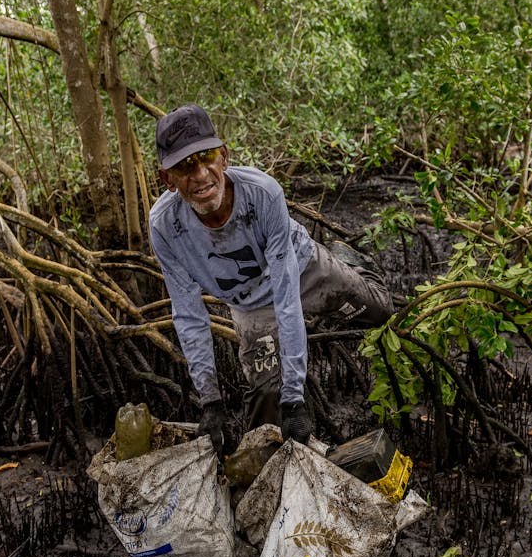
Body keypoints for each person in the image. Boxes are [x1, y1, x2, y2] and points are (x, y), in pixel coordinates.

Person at [149, 103, 392, 455]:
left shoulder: (263, 194)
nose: (201, 174)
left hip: (304, 269)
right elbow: (188, 314)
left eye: (207, 157)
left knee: (380, 312)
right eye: (185, 166)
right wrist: (211, 401)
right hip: (249, 303)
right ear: (167, 179)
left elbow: (287, 297)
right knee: (265, 401)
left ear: (225, 158)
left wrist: (295, 397)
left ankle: (346, 257)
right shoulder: (164, 226)